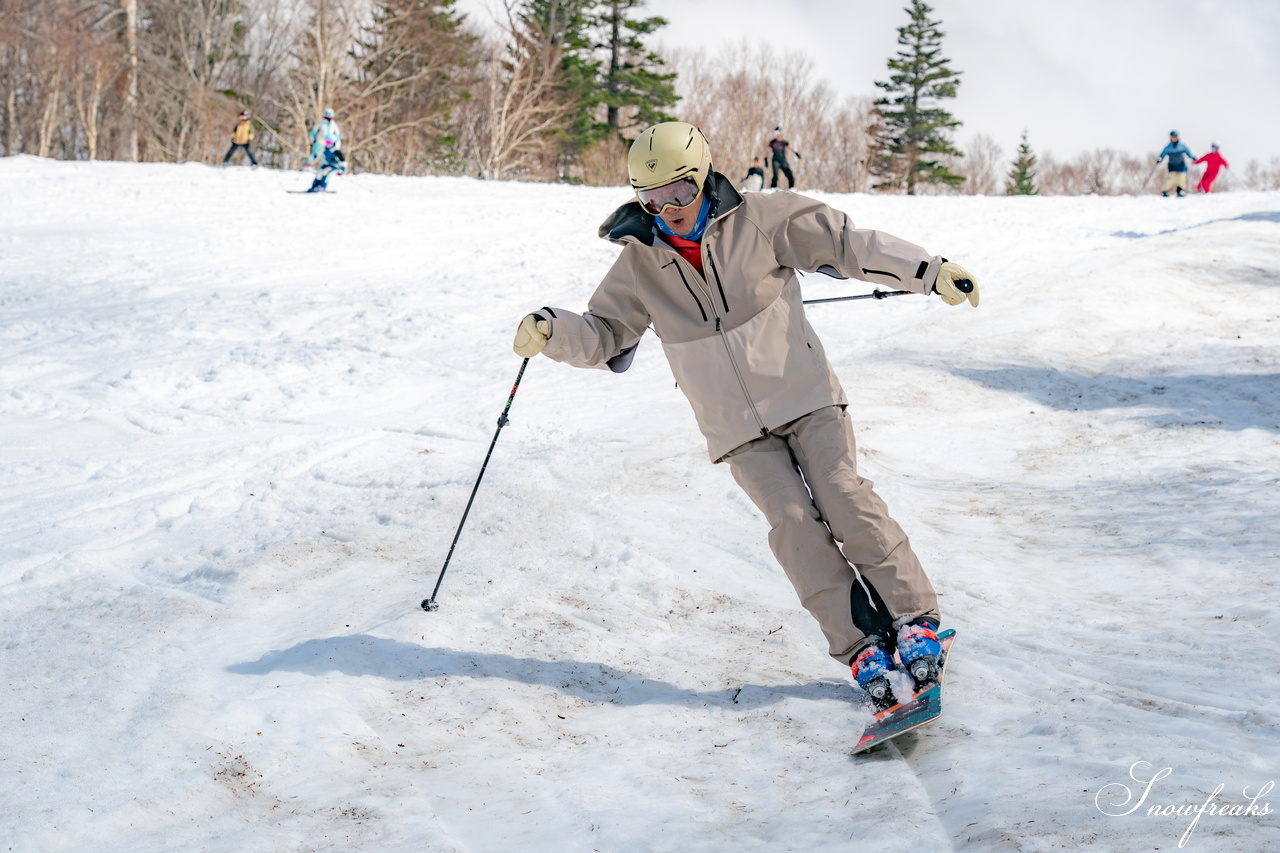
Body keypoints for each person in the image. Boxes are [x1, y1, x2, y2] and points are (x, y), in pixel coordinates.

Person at [511, 121, 981, 710]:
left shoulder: (762, 218)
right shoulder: (637, 267)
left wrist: (928, 271)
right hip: (736, 429)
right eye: (652, 197)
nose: (669, 208)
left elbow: (846, 243)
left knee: (842, 495)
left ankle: (915, 620)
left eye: (680, 191)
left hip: (806, 397)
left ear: (704, 176)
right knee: (793, 526)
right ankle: (861, 646)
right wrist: (553, 330)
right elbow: (605, 335)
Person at [304, 107, 345, 193]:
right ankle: (314, 186)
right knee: (320, 172)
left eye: (330, 143)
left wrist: (341, 169)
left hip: (334, 166)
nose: (328, 144)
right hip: (320, 144)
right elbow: (317, 154)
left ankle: (322, 186)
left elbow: (343, 161)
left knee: (327, 172)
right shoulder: (320, 124)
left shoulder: (336, 150)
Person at [1156, 130, 1195, 197]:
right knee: (1171, 178)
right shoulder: (1168, 147)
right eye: (1172, 137)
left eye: (1175, 137)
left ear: (1178, 137)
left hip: (1181, 165)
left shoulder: (1182, 146)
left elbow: (1189, 153)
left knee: (1182, 178)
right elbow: (1162, 154)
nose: (1174, 138)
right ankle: (1165, 191)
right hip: (1172, 165)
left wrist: (1193, 157)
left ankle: (1180, 190)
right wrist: (1160, 159)